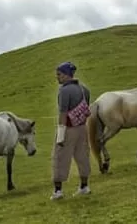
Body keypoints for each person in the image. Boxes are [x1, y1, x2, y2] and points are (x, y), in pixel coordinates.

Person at [51, 60, 92, 200]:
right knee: (83, 157)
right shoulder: (84, 89)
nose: (57, 77)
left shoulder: (64, 91)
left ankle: (58, 191)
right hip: (82, 128)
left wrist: (60, 135)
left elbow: (63, 113)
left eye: (59, 74)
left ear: (67, 75)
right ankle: (84, 186)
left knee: (60, 157)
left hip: (68, 128)